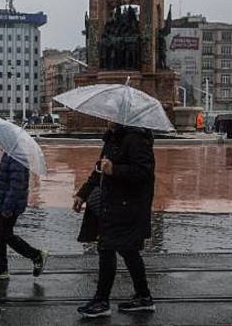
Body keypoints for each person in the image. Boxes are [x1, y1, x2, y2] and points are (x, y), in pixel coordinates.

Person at [73, 122, 155, 318]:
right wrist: (82, 194)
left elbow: (144, 172)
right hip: (112, 203)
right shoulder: (112, 137)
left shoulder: (137, 139)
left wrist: (115, 170)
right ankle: (143, 297)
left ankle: (102, 301)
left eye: (113, 116)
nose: (109, 120)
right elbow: (100, 169)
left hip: (128, 205)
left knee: (108, 248)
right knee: (127, 251)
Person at [0, 152, 48, 281]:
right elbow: (7, 178)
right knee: (0, 235)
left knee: (3, 235)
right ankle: (1, 270)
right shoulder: (9, 154)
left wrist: (7, 207)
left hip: (9, 204)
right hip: (5, 203)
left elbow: (16, 186)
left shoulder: (17, 156)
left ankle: (36, 255)